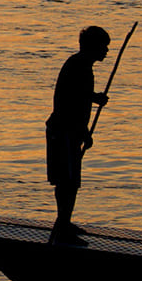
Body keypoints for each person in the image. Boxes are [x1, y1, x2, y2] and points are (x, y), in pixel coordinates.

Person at [45, 26, 110, 242]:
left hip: (68, 131)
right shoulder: (79, 67)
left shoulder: (81, 66)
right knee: (67, 181)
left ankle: (64, 222)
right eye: (104, 46)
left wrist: (94, 98)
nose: (107, 51)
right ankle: (62, 226)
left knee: (69, 181)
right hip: (64, 132)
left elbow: (79, 95)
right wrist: (83, 132)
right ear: (94, 46)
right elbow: (71, 103)